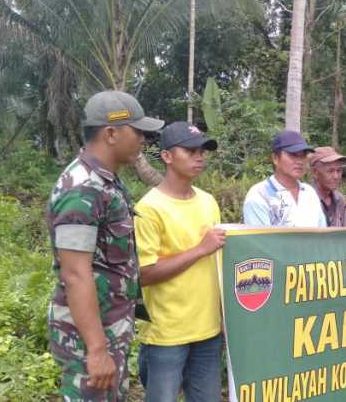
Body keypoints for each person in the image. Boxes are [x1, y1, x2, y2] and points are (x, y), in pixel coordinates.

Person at [46, 90, 164, 400]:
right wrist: (97, 350)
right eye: (137, 131)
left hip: (110, 327)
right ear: (111, 133)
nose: (143, 139)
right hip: (89, 338)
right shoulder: (83, 187)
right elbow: (75, 274)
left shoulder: (107, 181)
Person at [133, 122, 226, 401]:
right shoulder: (149, 208)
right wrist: (200, 249)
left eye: (202, 151)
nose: (199, 157)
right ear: (167, 156)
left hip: (208, 331)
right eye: (190, 151)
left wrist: (223, 316)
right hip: (166, 334)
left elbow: (218, 263)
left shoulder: (208, 201)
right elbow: (145, 273)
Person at [243, 130, 326, 227]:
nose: (299, 161)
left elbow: (321, 235)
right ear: (275, 158)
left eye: (303, 155)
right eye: (293, 155)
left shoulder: (309, 192)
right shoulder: (260, 195)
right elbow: (258, 240)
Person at [308, 146, 346, 227]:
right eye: (330, 171)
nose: (336, 176)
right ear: (315, 173)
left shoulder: (340, 200)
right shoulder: (305, 200)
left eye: (339, 170)